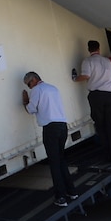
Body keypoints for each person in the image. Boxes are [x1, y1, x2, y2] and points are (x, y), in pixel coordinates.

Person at [22, 72, 74, 204]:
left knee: (54, 163)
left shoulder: (36, 90)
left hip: (50, 128)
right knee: (61, 159)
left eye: (29, 84)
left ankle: (61, 197)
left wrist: (25, 102)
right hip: (62, 126)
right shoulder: (53, 88)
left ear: (33, 80)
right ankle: (72, 191)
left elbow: (31, 109)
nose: (29, 87)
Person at [72, 39, 111, 162]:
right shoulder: (108, 62)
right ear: (99, 49)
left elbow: (86, 76)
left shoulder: (88, 61)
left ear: (89, 49)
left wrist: (75, 78)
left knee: (101, 126)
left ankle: (107, 154)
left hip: (97, 95)